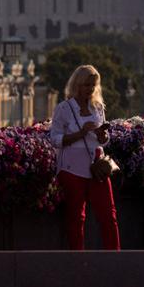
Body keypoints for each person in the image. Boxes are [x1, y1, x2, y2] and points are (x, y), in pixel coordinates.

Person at [50, 64, 120, 250]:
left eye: (93, 85)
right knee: (76, 218)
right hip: (72, 170)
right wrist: (80, 133)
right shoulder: (64, 108)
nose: (90, 89)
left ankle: (115, 258)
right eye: (86, 85)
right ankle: (77, 260)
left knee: (108, 216)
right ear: (77, 85)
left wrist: (102, 136)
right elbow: (55, 139)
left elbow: (104, 140)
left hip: (97, 167)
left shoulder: (97, 107)